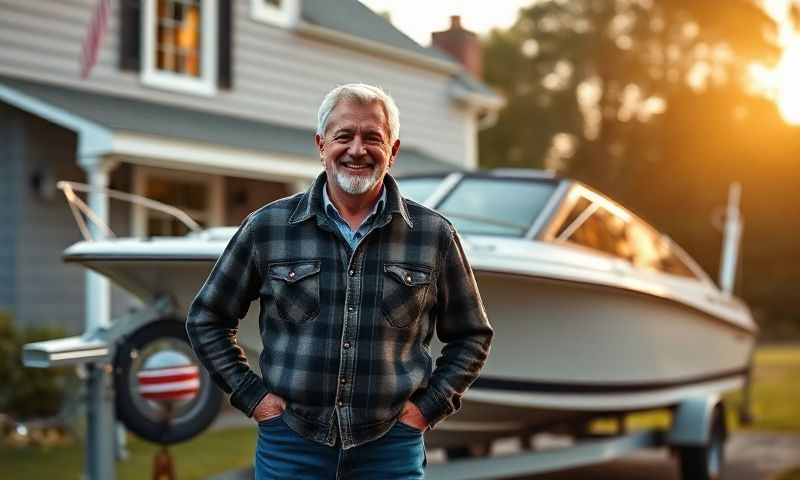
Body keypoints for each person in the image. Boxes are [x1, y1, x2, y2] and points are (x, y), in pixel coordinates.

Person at [186, 83, 493, 479]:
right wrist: (254, 398)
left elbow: (472, 335)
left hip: (390, 450)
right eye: (344, 135)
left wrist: (426, 409)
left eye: (373, 138)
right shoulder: (268, 228)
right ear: (321, 144)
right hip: (291, 446)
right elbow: (206, 319)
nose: (357, 150)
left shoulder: (432, 235)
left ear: (393, 151)